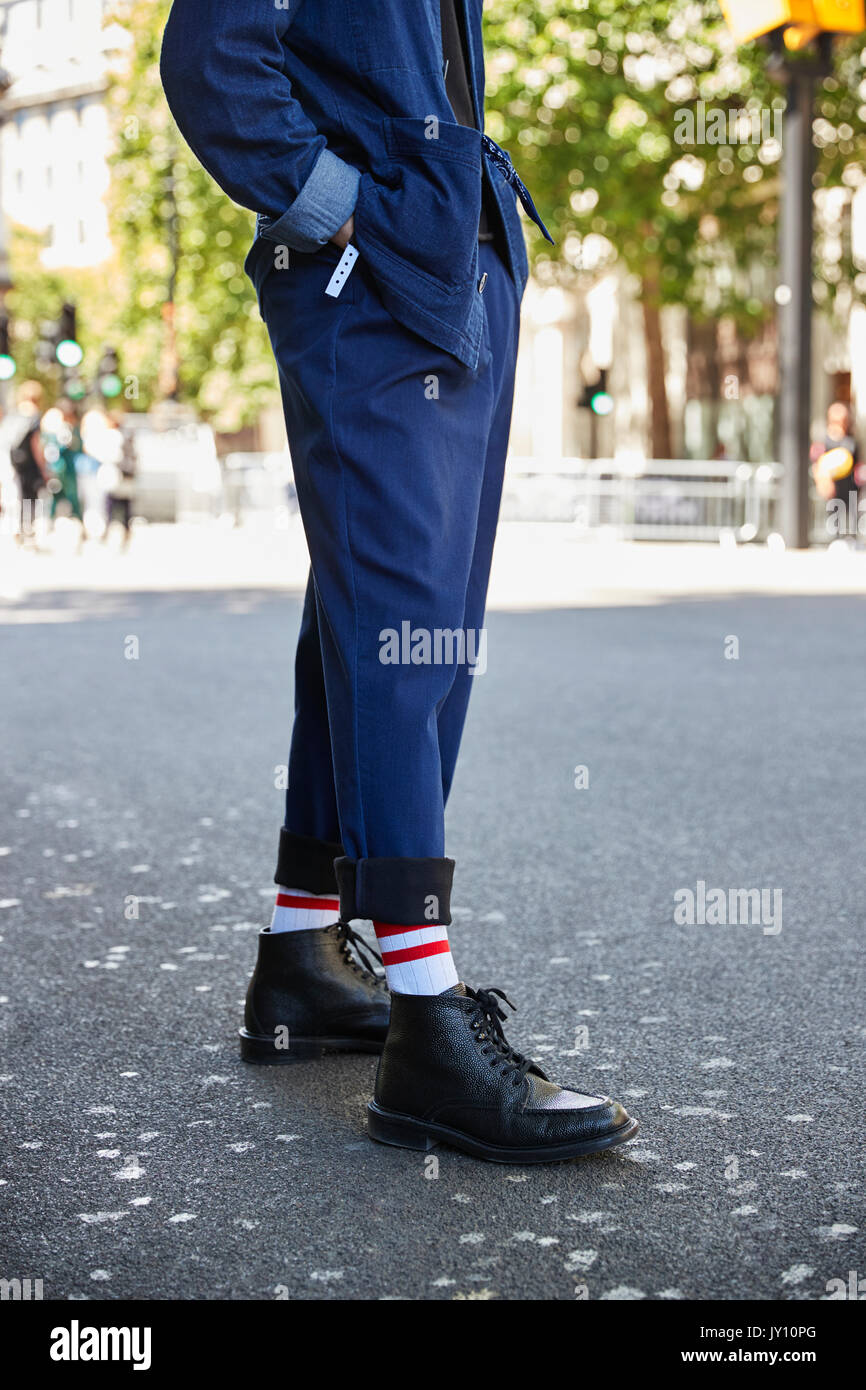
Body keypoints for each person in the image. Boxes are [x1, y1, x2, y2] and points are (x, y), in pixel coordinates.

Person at [161, 1, 637, 1162]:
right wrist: (350, 219)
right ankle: (426, 1020)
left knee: (381, 612)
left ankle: (300, 956)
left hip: (450, 263)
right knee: (403, 624)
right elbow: (211, 57)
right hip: (375, 278)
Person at [811, 401, 862, 539]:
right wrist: (822, 482)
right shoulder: (824, 440)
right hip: (832, 488)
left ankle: (850, 538)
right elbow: (817, 463)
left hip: (850, 487)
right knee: (833, 519)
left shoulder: (851, 441)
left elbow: (856, 464)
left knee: (851, 518)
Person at [8, 381, 49, 544]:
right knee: (31, 498)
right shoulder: (34, 416)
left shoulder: (15, 414)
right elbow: (36, 444)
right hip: (30, 463)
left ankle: (18, 527)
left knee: (20, 495)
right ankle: (28, 528)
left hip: (16, 462)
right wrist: (43, 466)